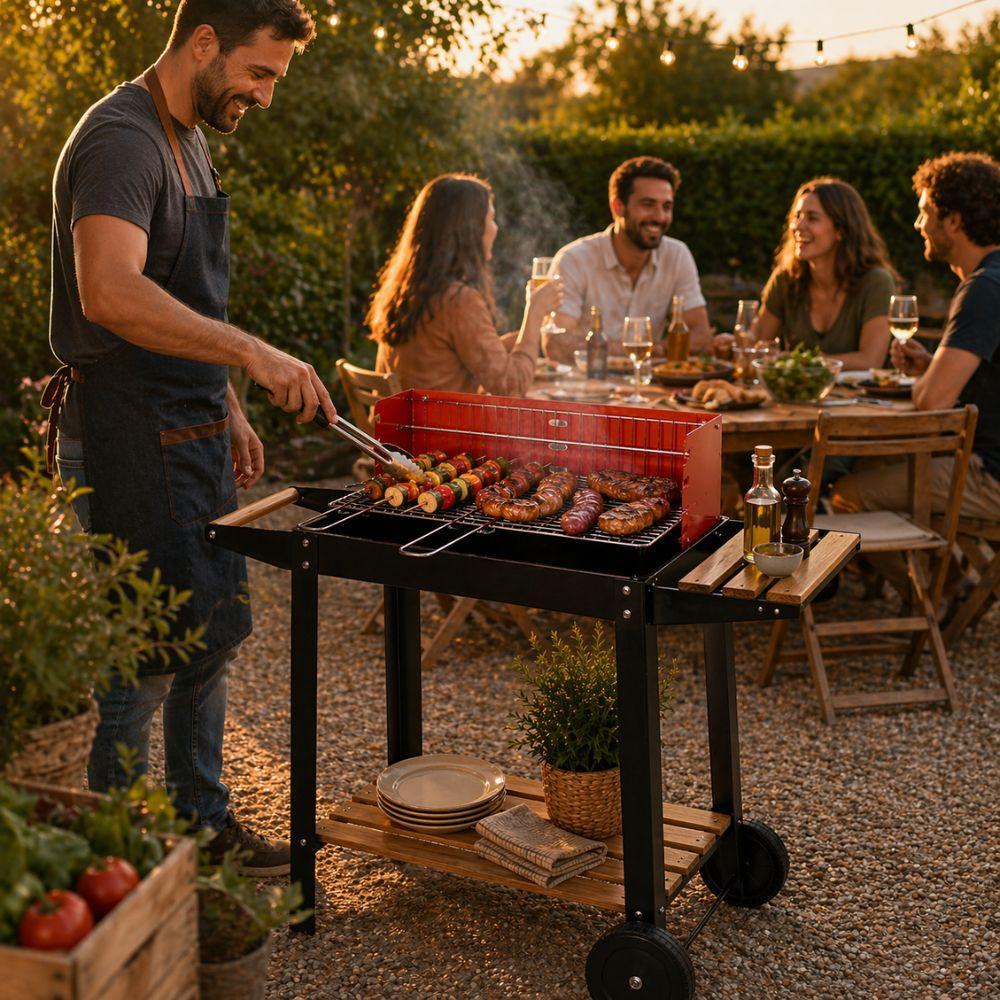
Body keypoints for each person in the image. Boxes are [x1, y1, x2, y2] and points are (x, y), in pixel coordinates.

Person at [42, 0, 337, 874]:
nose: (267, 95)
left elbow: (186, 299)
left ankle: (200, 826)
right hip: (123, 431)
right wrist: (251, 353)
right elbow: (112, 293)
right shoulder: (121, 140)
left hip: (193, 424)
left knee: (209, 635)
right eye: (260, 72)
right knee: (141, 666)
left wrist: (229, 399)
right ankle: (119, 860)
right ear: (203, 43)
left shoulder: (193, 137)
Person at [832, 152, 1000, 520]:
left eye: (925, 212)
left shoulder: (984, 288)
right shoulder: (992, 277)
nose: (917, 223)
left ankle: (934, 580)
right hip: (981, 458)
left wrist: (928, 382)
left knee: (846, 495)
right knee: (869, 468)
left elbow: (932, 401)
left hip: (990, 475)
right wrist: (930, 367)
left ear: (953, 220)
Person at [370, 174, 562, 395]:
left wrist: (515, 339)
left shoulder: (408, 290)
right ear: (468, 230)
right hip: (439, 427)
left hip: (402, 425)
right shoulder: (458, 300)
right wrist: (535, 312)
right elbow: (511, 387)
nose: (496, 228)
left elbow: (443, 356)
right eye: (490, 219)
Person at [543, 156, 710, 362]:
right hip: (585, 387)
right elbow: (557, 344)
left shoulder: (677, 255)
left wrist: (645, 349)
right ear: (617, 207)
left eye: (667, 207)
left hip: (652, 388)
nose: (659, 217)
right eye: (648, 204)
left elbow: (702, 338)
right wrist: (650, 349)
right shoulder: (574, 260)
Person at [751, 178, 897, 370]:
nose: (798, 226)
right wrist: (731, 345)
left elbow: (870, 360)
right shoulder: (785, 279)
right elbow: (759, 347)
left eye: (812, 218)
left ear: (841, 230)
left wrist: (798, 362)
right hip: (796, 396)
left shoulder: (876, 282)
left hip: (860, 399)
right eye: (797, 216)